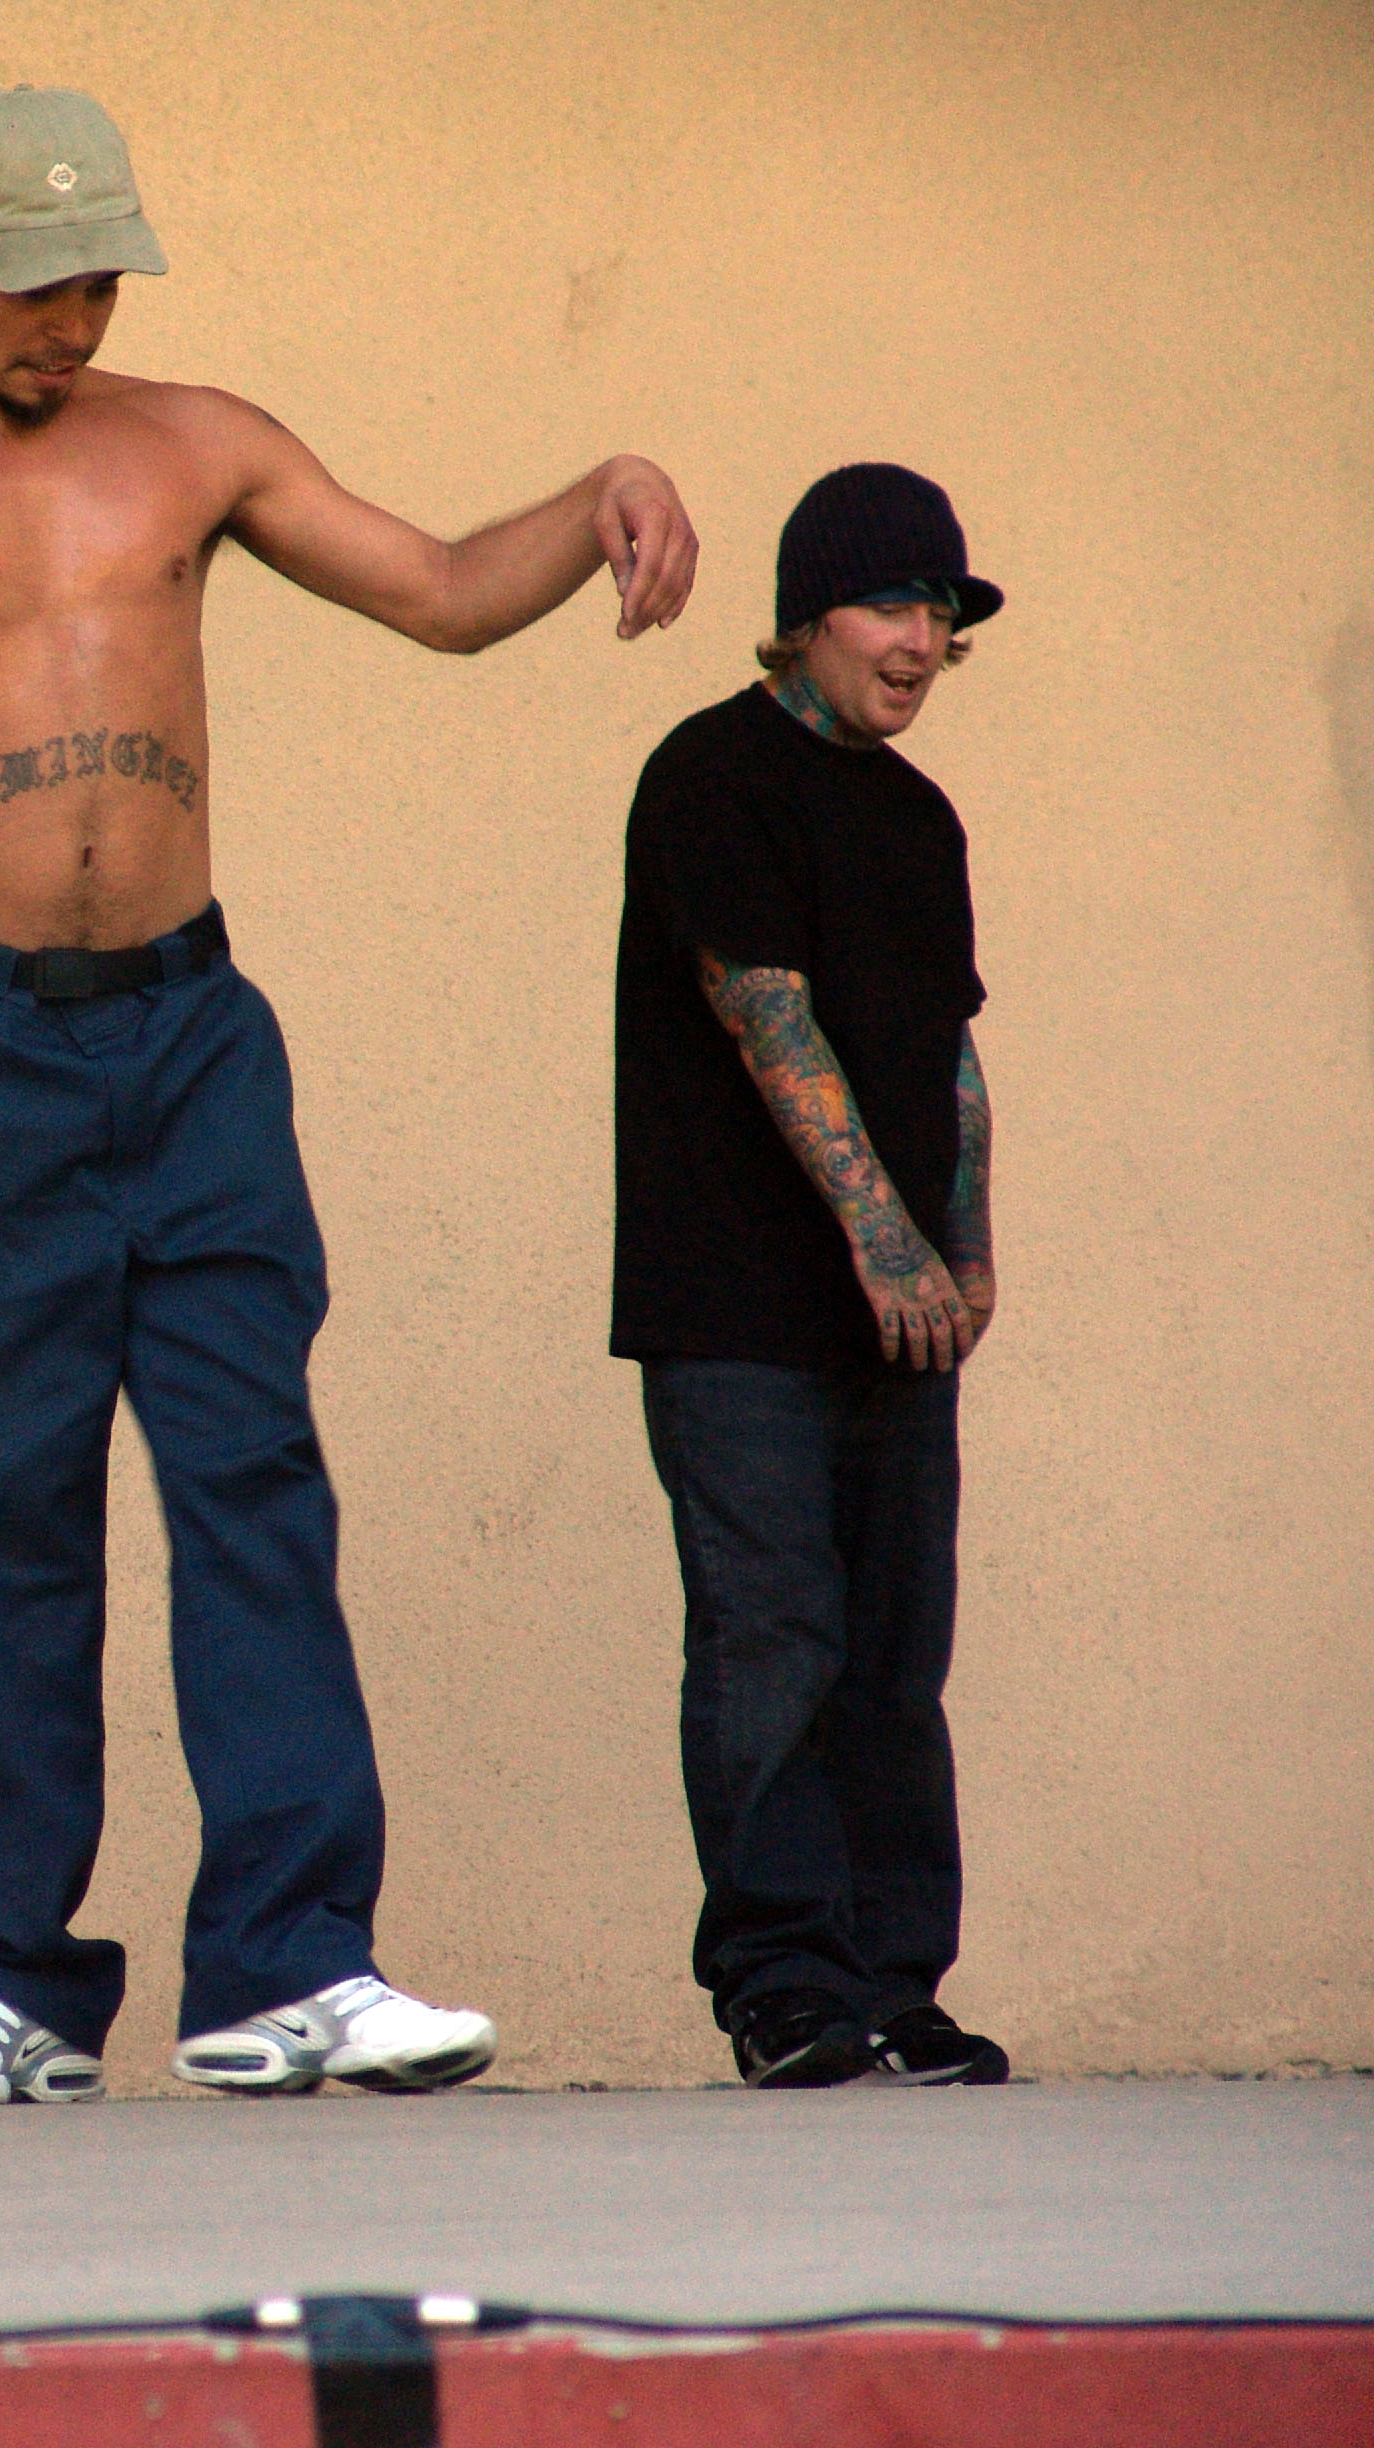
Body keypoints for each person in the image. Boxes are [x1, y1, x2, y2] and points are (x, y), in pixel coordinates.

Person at [0, 88, 700, 2104]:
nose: (69, 322)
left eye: (97, 280)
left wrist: (601, 489)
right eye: (31, 283)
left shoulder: (196, 445)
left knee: (252, 1475)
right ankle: (7, 1980)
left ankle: (294, 1961)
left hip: (190, 1042)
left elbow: (445, 587)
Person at [611, 462, 1012, 2088]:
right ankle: (782, 1979)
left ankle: (895, 1980)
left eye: (941, 614)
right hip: (740, 1308)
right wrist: (881, 1231)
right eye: (890, 604)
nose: (919, 642)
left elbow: (952, 1051)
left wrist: (966, 1242)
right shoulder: (713, 774)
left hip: (901, 1316)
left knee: (897, 1655)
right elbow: (764, 1012)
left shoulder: (920, 817)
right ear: (804, 618)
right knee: (772, 1634)